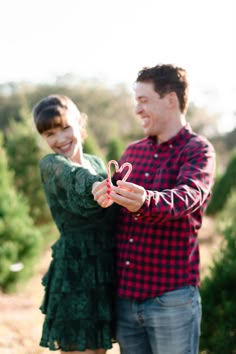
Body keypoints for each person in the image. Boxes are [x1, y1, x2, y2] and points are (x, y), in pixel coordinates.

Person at [92, 64, 216, 354]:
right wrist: (100, 194)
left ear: (170, 99)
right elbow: (113, 206)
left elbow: (188, 195)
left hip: (171, 299)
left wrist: (146, 200)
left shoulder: (198, 150)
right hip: (126, 297)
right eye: (136, 101)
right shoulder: (132, 152)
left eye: (144, 100)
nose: (137, 110)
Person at [32, 94, 115, 354]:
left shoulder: (97, 163)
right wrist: (97, 189)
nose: (59, 139)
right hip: (75, 271)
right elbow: (75, 180)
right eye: (50, 134)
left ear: (80, 124)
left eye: (65, 128)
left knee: (100, 350)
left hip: (104, 268)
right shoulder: (52, 164)